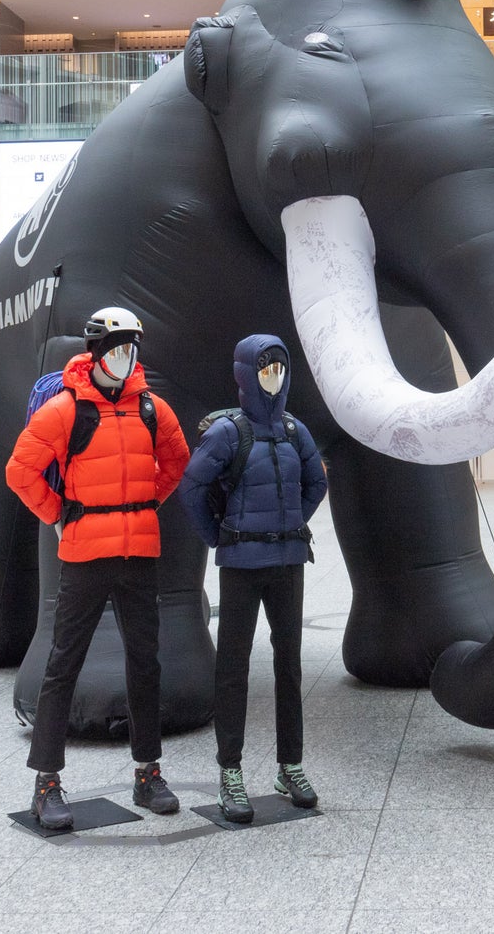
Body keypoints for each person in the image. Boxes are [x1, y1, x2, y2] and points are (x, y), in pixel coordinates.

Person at [6, 306, 189, 829]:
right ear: (96, 352)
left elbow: (177, 459)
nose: (125, 358)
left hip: (139, 553)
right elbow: (20, 471)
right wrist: (57, 514)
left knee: (146, 663)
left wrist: (146, 503)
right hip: (85, 555)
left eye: (132, 349)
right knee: (64, 663)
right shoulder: (65, 409)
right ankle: (46, 783)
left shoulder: (151, 407)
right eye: (116, 348)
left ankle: (148, 773)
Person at [179, 335, 328, 824]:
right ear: (246, 374)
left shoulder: (294, 429)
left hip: (288, 562)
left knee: (289, 667)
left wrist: (291, 523)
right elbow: (192, 487)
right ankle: (231, 772)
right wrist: (219, 537)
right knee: (233, 669)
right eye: (265, 369)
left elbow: (317, 481)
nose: (274, 378)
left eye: (280, 369)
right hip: (242, 566)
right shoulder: (228, 432)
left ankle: (290, 766)